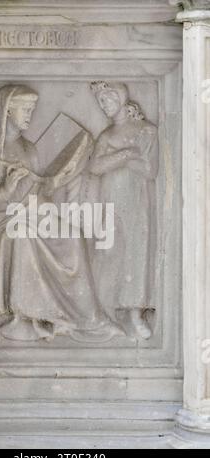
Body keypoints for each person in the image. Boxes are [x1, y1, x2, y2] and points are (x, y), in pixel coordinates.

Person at [0, 84, 124, 342]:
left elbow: (36, 197)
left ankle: (86, 318)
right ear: (7, 110)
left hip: (30, 213)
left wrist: (46, 186)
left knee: (71, 235)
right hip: (1, 220)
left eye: (32, 110)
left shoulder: (29, 149)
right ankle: (22, 318)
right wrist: (7, 190)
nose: (29, 116)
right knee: (22, 236)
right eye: (25, 109)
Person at [90, 82, 159, 339]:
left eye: (106, 99)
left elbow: (150, 169)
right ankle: (105, 309)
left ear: (119, 97)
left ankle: (134, 313)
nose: (103, 104)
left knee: (136, 254)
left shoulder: (147, 131)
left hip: (137, 201)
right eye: (99, 101)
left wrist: (124, 158)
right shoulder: (107, 136)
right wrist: (127, 155)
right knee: (109, 252)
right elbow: (95, 166)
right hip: (110, 200)